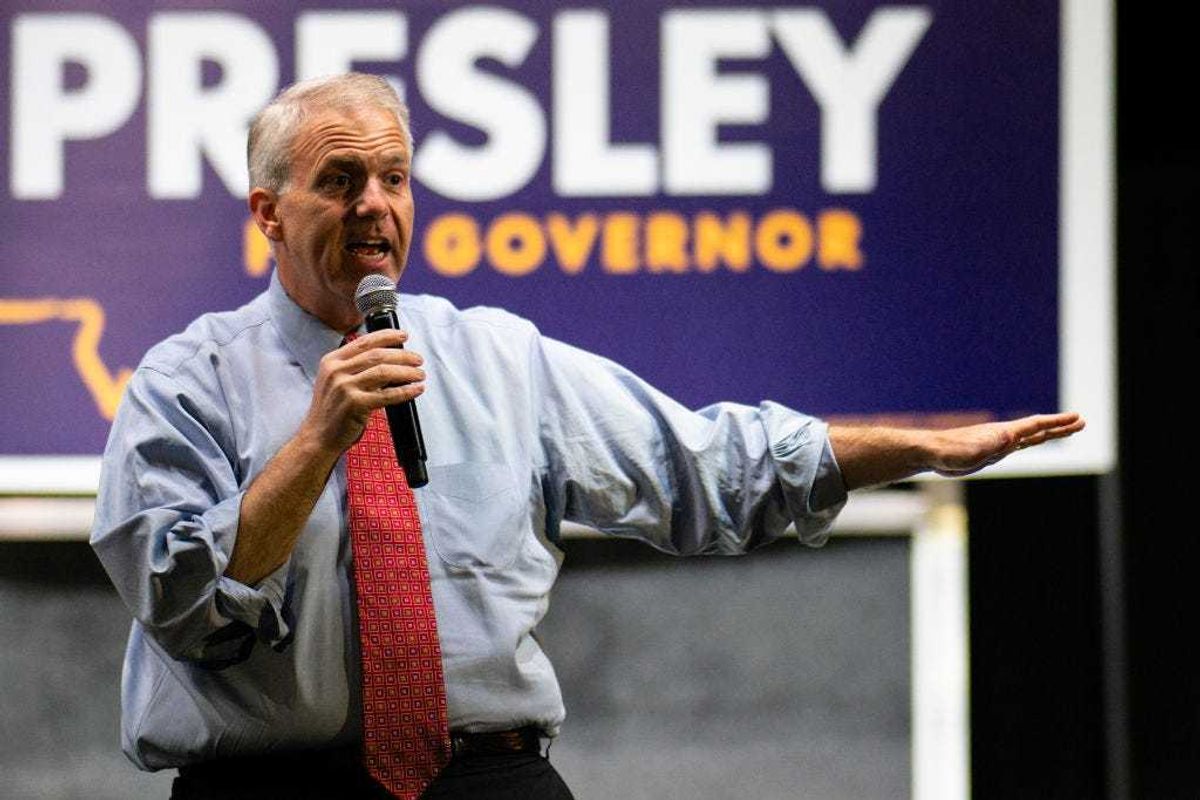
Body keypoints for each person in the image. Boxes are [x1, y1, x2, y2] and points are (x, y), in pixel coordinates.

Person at [90, 73, 1083, 800]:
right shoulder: (188, 382)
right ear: (268, 212)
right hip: (274, 789)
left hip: (489, 778)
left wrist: (914, 448)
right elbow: (178, 595)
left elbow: (707, 468)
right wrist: (315, 441)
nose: (375, 206)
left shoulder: (501, 360)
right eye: (340, 180)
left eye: (394, 178)